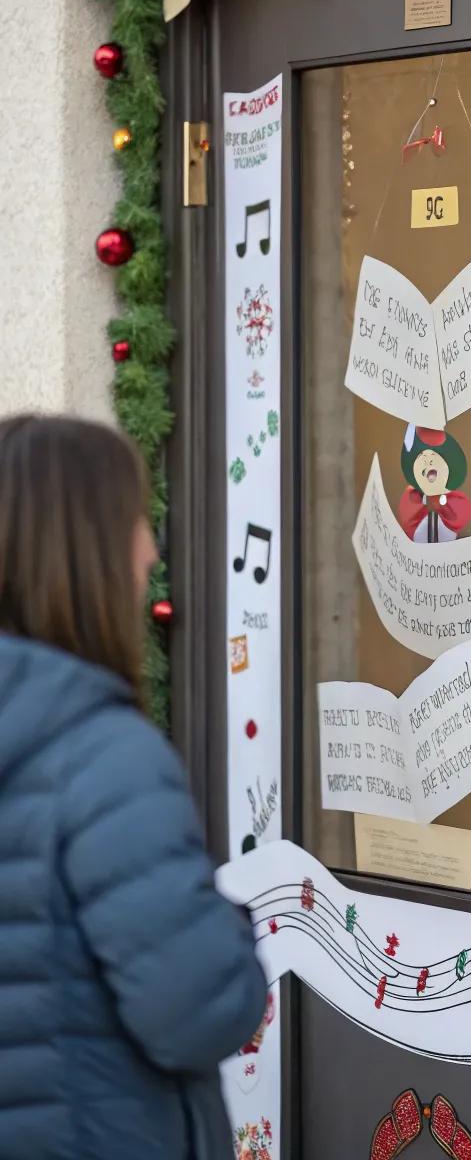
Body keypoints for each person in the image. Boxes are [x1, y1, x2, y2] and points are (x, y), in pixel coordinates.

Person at [0, 415, 267, 1160]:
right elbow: (201, 1010)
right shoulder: (102, 756)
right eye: (136, 520)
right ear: (82, 550)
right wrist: (231, 932)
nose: (152, 548)